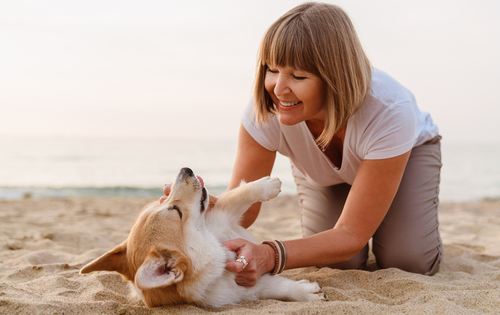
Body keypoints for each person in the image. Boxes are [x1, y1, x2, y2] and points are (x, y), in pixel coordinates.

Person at [162, 2, 443, 287]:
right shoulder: (265, 111)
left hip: (404, 157)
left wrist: (271, 255)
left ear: (335, 77)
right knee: (340, 262)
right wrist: (205, 207)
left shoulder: (390, 111)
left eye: (298, 76)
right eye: (272, 69)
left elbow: (350, 235)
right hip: (323, 173)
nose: (278, 89)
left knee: (408, 260)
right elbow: (245, 214)